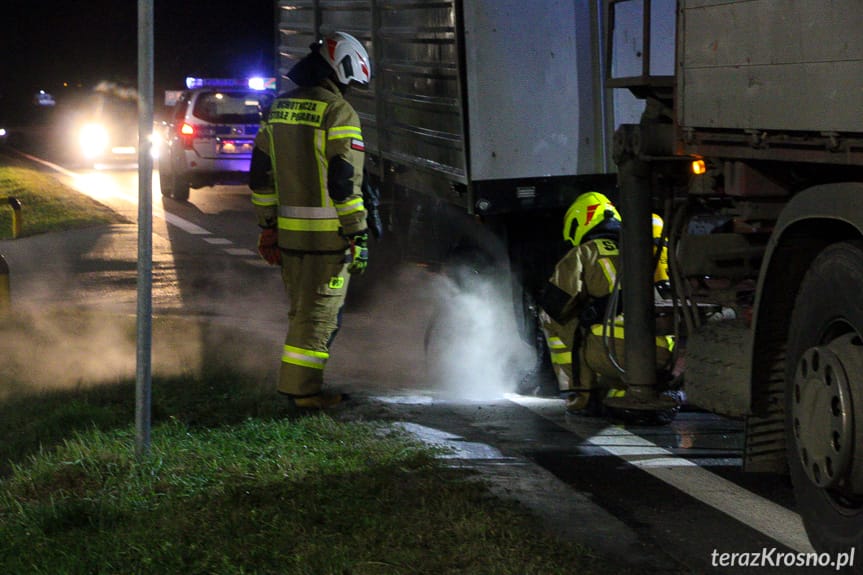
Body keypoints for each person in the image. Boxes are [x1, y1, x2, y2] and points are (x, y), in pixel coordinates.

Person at [249, 32, 372, 409]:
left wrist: (268, 226)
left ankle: (299, 388)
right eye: (349, 83)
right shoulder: (338, 112)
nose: (348, 91)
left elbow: (260, 176)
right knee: (318, 319)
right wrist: (358, 234)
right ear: (341, 69)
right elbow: (343, 182)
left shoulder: (278, 109)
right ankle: (304, 394)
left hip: (290, 238)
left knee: (301, 314)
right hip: (328, 241)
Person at [538, 191, 674, 414]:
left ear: (578, 223)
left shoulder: (585, 253)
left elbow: (556, 306)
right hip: (666, 354)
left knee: (552, 319)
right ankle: (619, 390)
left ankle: (583, 395)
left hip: (622, 352)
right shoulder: (648, 249)